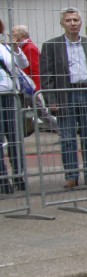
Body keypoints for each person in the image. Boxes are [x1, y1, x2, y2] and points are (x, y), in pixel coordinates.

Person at [41, 7, 87, 188]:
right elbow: (46, 76)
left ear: (81, 23)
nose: (72, 24)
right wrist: (51, 100)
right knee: (67, 138)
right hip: (65, 95)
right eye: (68, 20)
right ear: (62, 23)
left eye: (75, 20)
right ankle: (71, 176)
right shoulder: (51, 46)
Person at [0, 18, 30, 193]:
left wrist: (16, 49)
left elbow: (24, 64)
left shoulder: (5, 48)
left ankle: (18, 175)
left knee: (15, 137)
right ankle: (3, 179)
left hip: (11, 96)